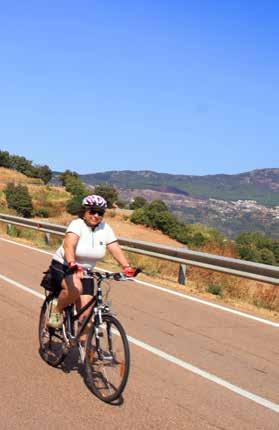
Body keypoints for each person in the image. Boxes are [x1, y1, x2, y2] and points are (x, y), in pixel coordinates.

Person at [47, 194, 135, 330]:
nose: (96, 215)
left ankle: (84, 348)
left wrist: (127, 267)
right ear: (84, 212)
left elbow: (114, 247)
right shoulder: (77, 224)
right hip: (64, 266)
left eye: (100, 213)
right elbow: (69, 245)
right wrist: (72, 263)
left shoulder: (105, 228)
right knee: (76, 289)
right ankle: (57, 310)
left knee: (86, 317)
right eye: (92, 211)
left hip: (86, 272)